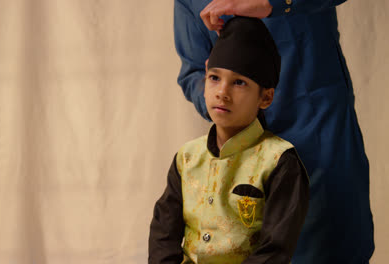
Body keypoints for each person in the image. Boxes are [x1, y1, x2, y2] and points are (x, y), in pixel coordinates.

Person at [174, 0, 374, 263]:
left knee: (333, 249)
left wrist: (271, 3)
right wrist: (225, 97)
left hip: (321, 138)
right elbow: (194, 71)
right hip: (243, 160)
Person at [149, 17, 309, 264]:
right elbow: (163, 234)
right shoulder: (187, 158)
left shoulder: (279, 162)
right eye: (214, 78)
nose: (222, 92)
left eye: (239, 82)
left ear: (265, 97)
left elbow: (275, 251)